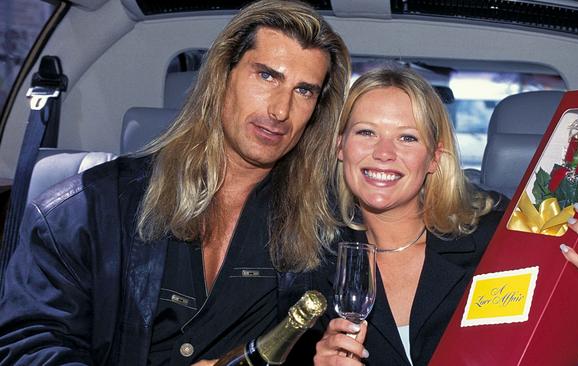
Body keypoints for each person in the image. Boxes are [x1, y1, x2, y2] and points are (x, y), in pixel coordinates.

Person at [0, 1, 350, 365]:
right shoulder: (85, 212)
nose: (280, 110)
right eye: (266, 76)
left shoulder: (325, 231)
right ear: (222, 76)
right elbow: (27, 349)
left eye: (304, 91)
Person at [309, 68, 578, 365]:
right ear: (341, 146)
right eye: (366, 132)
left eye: (407, 137)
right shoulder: (313, 263)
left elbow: (559, 350)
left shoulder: (503, 241)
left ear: (433, 158)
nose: (383, 153)